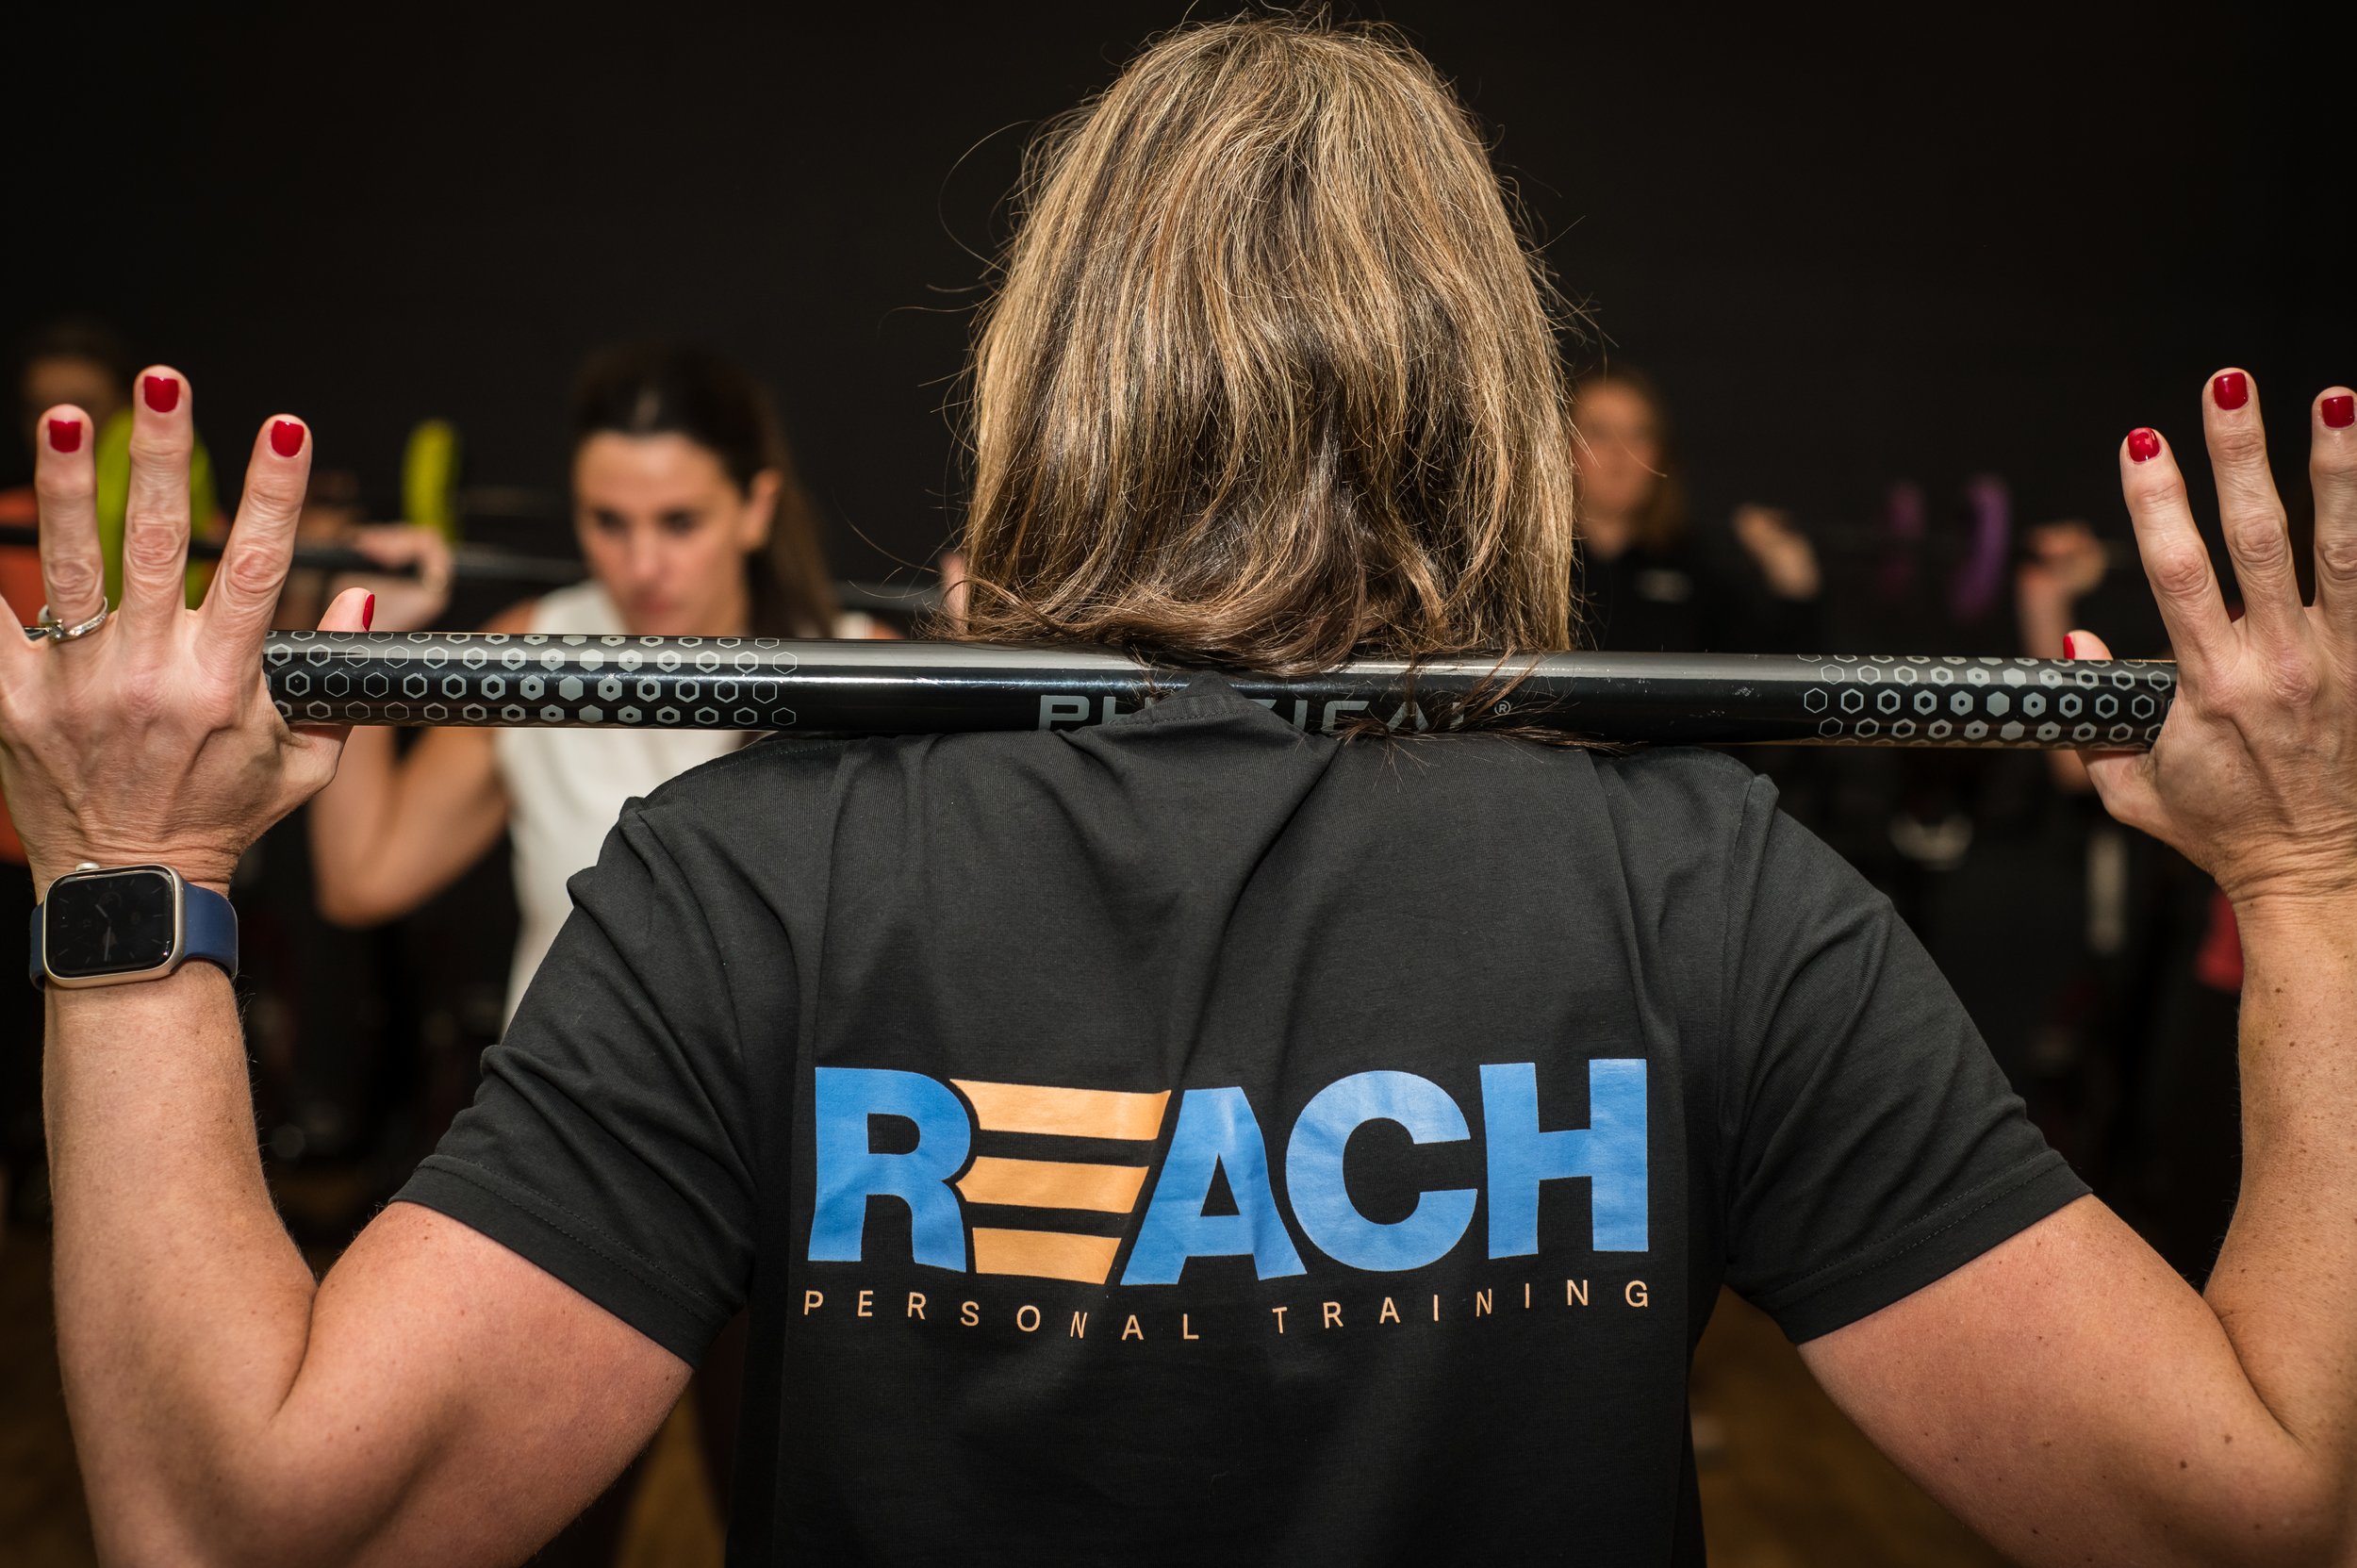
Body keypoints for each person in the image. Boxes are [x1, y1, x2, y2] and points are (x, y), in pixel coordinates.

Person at [8, 19, 2357, 1568]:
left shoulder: (747, 873)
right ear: (1485, 387)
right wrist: (2314, 871)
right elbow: (2256, 1501)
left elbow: (238, 1528)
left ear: (1044, 374)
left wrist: (134, 878)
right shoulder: (1706, 895)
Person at [306, 341, 857, 1023]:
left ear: (755, 508)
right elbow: (361, 879)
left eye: (680, 522)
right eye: (608, 521)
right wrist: (365, 649)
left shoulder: (865, 670)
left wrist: (975, 698)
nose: (642, 565)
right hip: (560, 1088)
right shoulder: (528, 654)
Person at [1568, 367, 1821, 652]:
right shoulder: (1538, 569)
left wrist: (1794, 586)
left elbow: (1774, 669)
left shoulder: (1698, 572)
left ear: (1661, 456)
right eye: (1598, 432)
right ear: (1562, 449)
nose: (1619, 452)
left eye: (1639, 435)